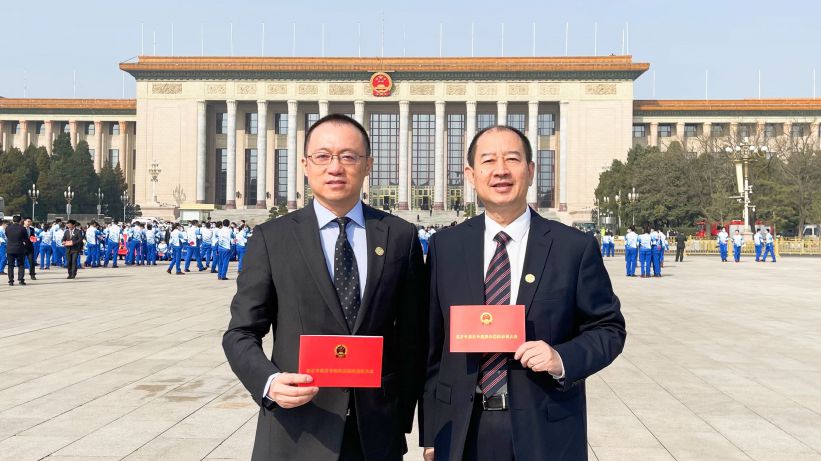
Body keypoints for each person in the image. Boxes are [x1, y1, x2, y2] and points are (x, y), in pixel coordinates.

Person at [223, 114, 427, 461]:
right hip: (296, 429)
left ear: (367, 165)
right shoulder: (273, 238)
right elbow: (240, 332)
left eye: (348, 156)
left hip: (376, 433)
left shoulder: (399, 236)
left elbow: (414, 336)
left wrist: (400, 412)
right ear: (305, 165)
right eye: (323, 156)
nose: (335, 167)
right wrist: (269, 383)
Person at [421, 126, 625, 461]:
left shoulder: (572, 248)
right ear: (471, 175)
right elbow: (432, 344)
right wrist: (432, 432)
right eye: (488, 161)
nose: (500, 170)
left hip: (545, 430)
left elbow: (608, 328)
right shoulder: (446, 247)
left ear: (530, 171)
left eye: (512, 159)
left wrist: (561, 358)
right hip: (462, 430)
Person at [5, 216, 29, 285]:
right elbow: (26, 238)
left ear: (13, 220)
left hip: (10, 248)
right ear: (20, 221)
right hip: (20, 248)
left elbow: (7, 236)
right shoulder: (22, 228)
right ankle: (21, 280)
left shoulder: (8, 228)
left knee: (10, 265)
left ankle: (11, 281)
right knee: (21, 265)